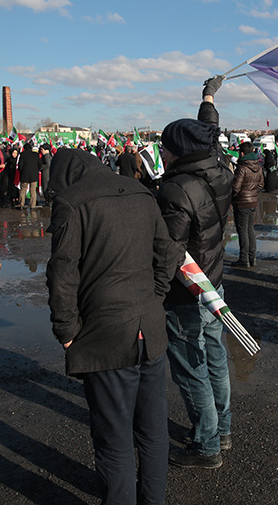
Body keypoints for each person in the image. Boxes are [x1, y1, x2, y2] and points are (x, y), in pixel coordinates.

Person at [46, 146, 177, 505]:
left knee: (115, 440)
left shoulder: (73, 201)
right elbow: (167, 252)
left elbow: (62, 273)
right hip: (148, 327)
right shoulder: (139, 190)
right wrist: (155, 297)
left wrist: (67, 332)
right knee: (152, 432)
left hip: (107, 334)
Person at [156, 75, 234, 469]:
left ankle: (206, 446)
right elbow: (209, 130)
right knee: (215, 357)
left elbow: (167, 252)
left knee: (190, 367)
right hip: (214, 282)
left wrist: (152, 295)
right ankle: (223, 430)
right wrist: (208, 96)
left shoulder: (175, 189)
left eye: (165, 148)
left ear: (177, 152)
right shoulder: (219, 165)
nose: (162, 153)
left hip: (187, 289)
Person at [231, 141, 264, 268]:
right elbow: (261, 185)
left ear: (242, 153)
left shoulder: (242, 168)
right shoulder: (258, 167)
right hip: (253, 202)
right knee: (250, 229)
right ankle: (252, 257)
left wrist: (235, 196)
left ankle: (244, 259)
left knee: (242, 231)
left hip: (241, 202)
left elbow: (235, 188)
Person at [18, 142, 40, 209]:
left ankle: (22, 204)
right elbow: (40, 165)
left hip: (25, 175)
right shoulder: (36, 155)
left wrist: (21, 172)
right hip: (34, 175)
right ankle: (33, 205)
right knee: (33, 190)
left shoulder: (22, 154)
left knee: (23, 189)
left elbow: (20, 166)